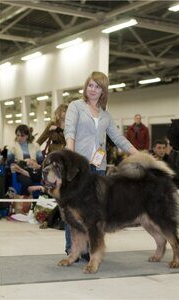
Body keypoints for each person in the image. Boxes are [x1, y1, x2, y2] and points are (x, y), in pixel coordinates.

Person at [64, 71, 138, 260]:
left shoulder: (106, 116)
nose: (93, 89)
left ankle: (91, 248)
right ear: (85, 87)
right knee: (72, 210)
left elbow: (118, 138)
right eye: (90, 85)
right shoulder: (76, 106)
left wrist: (138, 154)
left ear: (103, 91)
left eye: (97, 86)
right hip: (77, 168)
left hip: (98, 167)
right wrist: (70, 156)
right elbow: (70, 131)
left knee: (93, 212)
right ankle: (72, 249)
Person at [7, 124, 43, 195]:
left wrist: (34, 162)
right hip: (20, 171)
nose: (19, 137)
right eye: (17, 135)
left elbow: (41, 161)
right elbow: (10, 162)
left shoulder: (36, 145)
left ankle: (38, 202)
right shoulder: (12, 146)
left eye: (22, 136)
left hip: (34, 171)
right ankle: (25, 203)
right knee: (28, 182)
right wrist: (22, 162)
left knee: (45, 180)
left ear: (27, 136)